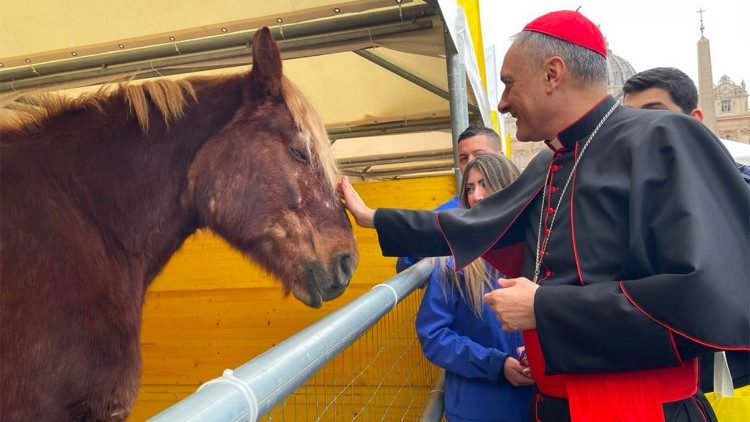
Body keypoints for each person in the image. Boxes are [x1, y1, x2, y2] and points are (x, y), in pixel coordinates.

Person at [339, 10, 750, 421]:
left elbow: (707, 292)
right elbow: (475, 224)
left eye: (509, 83)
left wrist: (545, 307)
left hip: (642, 409)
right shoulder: (548, 161)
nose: (502, 102)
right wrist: (373, 217)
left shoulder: (665, 137)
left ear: (553, 74)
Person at [623, 67, 750, 393]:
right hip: (665, 387)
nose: (638, 129)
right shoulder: (623, 204)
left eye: (654, 114)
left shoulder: (739, 190)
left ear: (693, 119)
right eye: (627, 118)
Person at [416, 154, 532, 422]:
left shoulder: (539, 252)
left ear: (510, 188)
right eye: (470, 188)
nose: (476, 196)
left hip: (538, 406)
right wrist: (495, 364)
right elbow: (433, 335)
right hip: (478, 409)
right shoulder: (453, 264)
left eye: (486, 184)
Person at [396, 125, 503, 272]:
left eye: (479, 155)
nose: (471, 163)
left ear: (500, 157)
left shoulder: (527, 202)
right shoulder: (445, 213)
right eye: (464, 158)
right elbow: (405, 264)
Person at [622, 66, 750, 184]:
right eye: (629, 115)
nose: (637, 124)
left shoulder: (740, 182)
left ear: (694, 119)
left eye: (654, 113)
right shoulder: (616, 187)